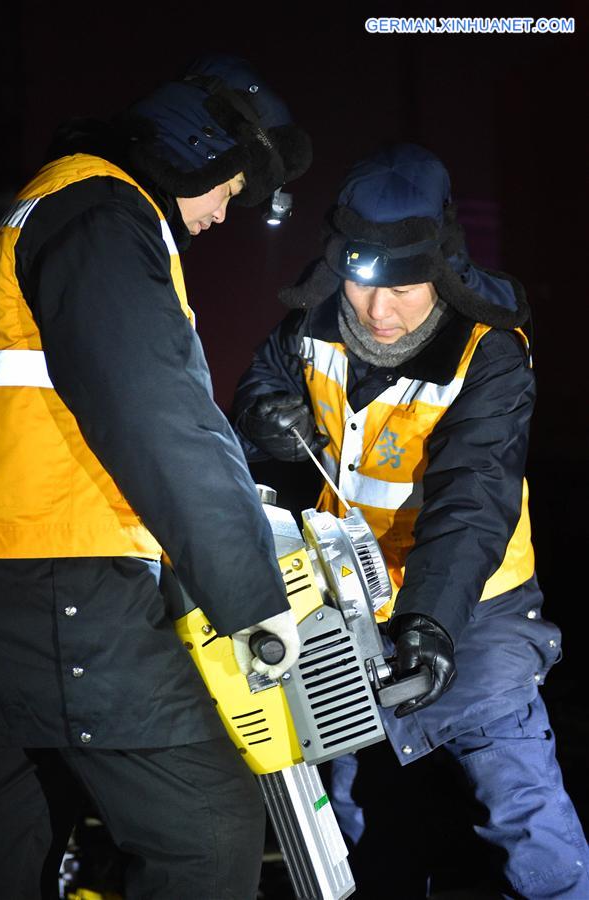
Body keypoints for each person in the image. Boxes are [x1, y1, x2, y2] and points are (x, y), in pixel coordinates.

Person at [0, 53, 311, 900]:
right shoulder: (102, 213)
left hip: (3, 586)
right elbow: (160, 416)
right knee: (205, 834)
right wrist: (253, 598)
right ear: (198, 151)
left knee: (9, 845)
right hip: (71, 584)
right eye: (228, 190)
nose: (220, 214)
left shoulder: (32, 207)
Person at [233, 144, 589, 898]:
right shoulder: (315, 322)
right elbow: (261, 381)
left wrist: (430, 623)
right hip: (349, 607)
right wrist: (266, 415)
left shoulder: (487, 353)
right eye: (363, 285)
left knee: (518, 804)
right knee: (352, 814)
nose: (378, 311)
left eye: (403, 286)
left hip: (472, 608)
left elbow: (472, 498)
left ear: (444, 268)